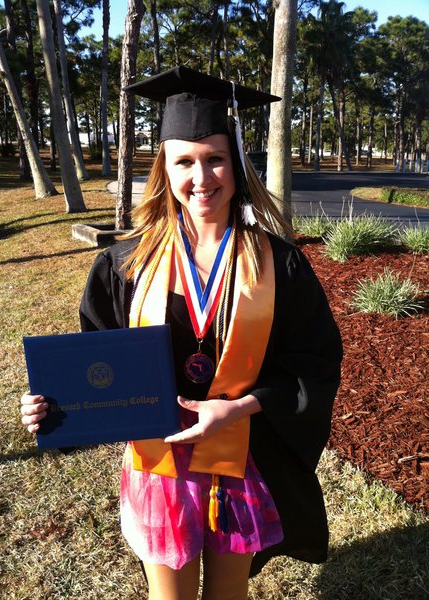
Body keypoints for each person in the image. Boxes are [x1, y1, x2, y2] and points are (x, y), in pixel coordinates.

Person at [21, 66, 343, 600]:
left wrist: (239, 408)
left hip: (241, 455)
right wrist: (50, 407)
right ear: (164, 170)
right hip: (160, 463)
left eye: (216, 158)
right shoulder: (125, 263)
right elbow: (94, 365)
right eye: (185, 162)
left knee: (227, 594)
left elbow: (313, 361)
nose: (202, 177)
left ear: (236, 164)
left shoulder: (279, 264)